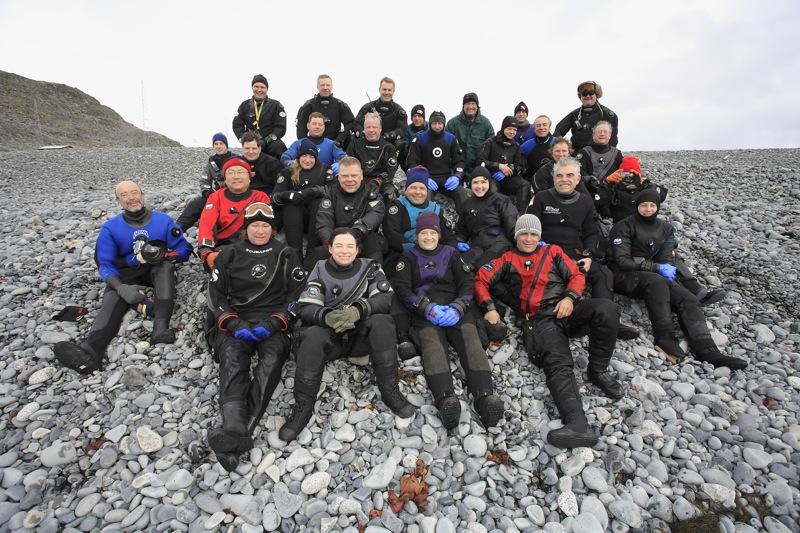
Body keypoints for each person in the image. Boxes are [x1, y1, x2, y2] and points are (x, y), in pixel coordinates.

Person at [475, 214, 623, 448]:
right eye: (524, 233)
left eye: (534, 234)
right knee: (558, 362)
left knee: (607, 309)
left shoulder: (553, 252)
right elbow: (481, 280)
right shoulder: (507, 259)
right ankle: (577, 423)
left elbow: (575, 275)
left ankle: (598, 370)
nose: (529, 238)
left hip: (566, 308)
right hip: (539, 319)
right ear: (516, 235)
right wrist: (489, 308)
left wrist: (570, 298)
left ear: (539, 236)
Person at [279, 228, 415, 442]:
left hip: (360, 338)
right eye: (339, 246)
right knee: (312, 334)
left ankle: (390, 389)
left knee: (383, 321)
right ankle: (302, 406)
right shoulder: (319, 268)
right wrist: (327, 317)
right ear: (330, 248)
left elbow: (385, 298)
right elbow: (306, 305)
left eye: (350, 246)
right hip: (329, 341)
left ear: (357, 249)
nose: (344, 251)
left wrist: (357, 310)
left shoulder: (370, 267)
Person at [205, 202, 306, 471]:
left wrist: (277, 322)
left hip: (272, 322)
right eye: (255, 225)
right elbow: (215, 295)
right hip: (238, 319)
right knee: (232, 359)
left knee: (272, 360)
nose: (260, 230)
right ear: (245, 228)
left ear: (272, 229)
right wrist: (232, 322)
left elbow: (298, 295)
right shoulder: (228, 254)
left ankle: (237, 433)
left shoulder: (286, 253)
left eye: (265, 226)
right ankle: (236, 428)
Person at [54, 181, 192, 373]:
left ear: (142, 195)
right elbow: (105, 265)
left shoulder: (163, 221)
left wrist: (163, 255)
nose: (131, 198)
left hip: (157, 269)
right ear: (119, 201)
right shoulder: (110, 228)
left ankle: (160, 329)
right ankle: (91, 351)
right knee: (113, 298)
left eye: (134, 192)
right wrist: (121, 288)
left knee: (165, 267)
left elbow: (184, 249)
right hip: (127, 273)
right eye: (125, 195)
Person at [608, 190, 747, 369]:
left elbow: (666, 257)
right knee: (656, 282)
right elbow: (622, 261)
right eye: (643, 205)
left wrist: (667, 272)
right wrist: (657, 268)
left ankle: (708, 350)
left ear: (658, 207)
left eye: (652, 205)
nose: (648, 209)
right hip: (623, 275)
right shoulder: (623, 227)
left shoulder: (665, 228)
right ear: (637, 206)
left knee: (687, 298)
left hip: (652, 275)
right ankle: (664, 337)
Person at [391, 212, 505, 429]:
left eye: (432, 233)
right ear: (417, 235)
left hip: (455, 308)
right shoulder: (408, 257)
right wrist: (425, 307)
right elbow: (402, 288)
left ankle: (485, 396)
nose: (427, 237)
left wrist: (459, 306)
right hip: (425, 311)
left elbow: (467, 282)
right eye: (423, 233)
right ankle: (445, 398)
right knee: (432, 343)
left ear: (439, 234)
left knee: (470, 339)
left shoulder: (451, 254)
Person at [527, 157, 639, 339]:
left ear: (578, 179)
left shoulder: (586, 202)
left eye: (570, 175)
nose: (564, 179)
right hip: (546, 253)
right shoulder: (540, 198)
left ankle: (609, 319)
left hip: (574, 253)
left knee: (603, 274)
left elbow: (591, 233)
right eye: (560, 176)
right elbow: (529, 228)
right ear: (553, 178)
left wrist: (588, 256)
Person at [597, 157, 725, 306]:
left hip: (651, 231)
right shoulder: (614, 190)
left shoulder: (646, 189)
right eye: (624, 173)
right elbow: (597, 201)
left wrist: (644, 181)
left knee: (672, 256)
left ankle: (697, 290)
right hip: (626, 236)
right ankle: (679, 294)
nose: (628, 178)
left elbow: (661, 195)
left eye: (632, 174)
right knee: (651, 261)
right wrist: (607, 183)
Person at [197, 158, 271, 269]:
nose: (235, 176)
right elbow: (206, 223)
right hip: (225, 245)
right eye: (230, 173)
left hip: (254, 243)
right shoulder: (216, 197)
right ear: (225, 179)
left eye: (240, 172)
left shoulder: (260, 197)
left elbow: (267, 226)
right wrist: (206, 251)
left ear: (249, 178)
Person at [313, 156, 385, 264]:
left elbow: (375, 214)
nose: (350, 179)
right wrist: (334, 243)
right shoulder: (331, 193)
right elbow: (324, 222)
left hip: (362, 238)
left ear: (361, 175)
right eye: (345, 176)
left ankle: (375, 277)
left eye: (354, 175)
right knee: (317, 255)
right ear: (338, 177)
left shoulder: (372, 191)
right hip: (335, 240)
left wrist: (353, 237)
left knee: (372, 242)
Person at [271, 139, 335, 260]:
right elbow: (274, 198)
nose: (307, 160)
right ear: (298, 157)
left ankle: (312, 252)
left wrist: (311, 192)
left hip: (316, 219)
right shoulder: (288, 171)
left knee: (319, 202)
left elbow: (333, 191)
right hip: (293, 220)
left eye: (311, 156)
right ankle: (295, 254)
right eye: (304, 156)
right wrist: (289, 195)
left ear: (316, 157)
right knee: (291, 205)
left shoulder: (324, 170)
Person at [454, 167, 518, 270]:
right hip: (477, 246)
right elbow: (461, 231)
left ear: (489, 183)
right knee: (461, 266)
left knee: (482, 267)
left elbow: (512, 227)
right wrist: (458, 242)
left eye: (483, 182)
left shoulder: (502, 200)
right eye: (475, 182)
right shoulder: (467, 204)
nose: (479, 186)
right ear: (471, 184)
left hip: (499, 244)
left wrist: (525, 241)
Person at [384, 166, 455, 255]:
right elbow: (391, 234)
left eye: (422, 188)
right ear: (406, 190)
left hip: (434, 254)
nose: (418, 192)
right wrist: (417, 251)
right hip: (404, 254)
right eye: (413, 187)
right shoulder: (398, 206)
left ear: (427, 191)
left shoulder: (436, 209)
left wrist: (450, 249)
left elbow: (448, 237)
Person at [406, 111, 468, 206]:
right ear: (430, 123)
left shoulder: (451, 138)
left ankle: (465, 220)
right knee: (422, 198)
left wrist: (457, 176)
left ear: (444, 124)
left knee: (462, 194)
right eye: (434, 123)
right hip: (427, 179)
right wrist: (422, 178)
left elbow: (459, 161)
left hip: (447, 179)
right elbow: (412, 162)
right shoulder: (420, 138)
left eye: (440, 123)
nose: (437, 126)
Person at [176, 132, 236, 231]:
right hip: (217, 193)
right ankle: (176, 230)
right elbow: (204, 179)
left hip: (234, 192)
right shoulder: (211, 161)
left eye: (221, 143)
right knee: (194, 204)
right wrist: (207, 191)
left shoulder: (235, 158)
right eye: (216, 144)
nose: (218, 146)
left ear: (226, 145)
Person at [476, 115, 530, 211]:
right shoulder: (490, 142)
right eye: (509, 129)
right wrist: (498, 166)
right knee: (491, 189)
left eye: (514, 130)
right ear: (503, 128)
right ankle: (491, 215)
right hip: (491, 178)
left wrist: (509, 168)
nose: (512, 132)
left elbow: (522, 167)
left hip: (508, 180)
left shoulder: (516, 147)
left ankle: (521, 214)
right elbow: (480, 161)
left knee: (524, 184)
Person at [346, 112, 399, 201]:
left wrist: (378, 181)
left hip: (381, 183)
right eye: (368, 127)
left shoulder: (388, 147)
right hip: (358, 181)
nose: (371, 130)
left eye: (374, 127)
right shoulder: (355, 144)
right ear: (364, 129)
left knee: (391, 194)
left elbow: (390, 172)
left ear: (380, 129)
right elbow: (349, 167)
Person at [232, 74, 287, 158]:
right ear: (252, 87)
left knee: (279, 147)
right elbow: (237, 125)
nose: (259, 90)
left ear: (267, 89)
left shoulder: (276, 105)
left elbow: (280, 127)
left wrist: (266, 141)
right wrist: (244, 139)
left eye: (262, 87)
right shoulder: (244, 105)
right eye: (256, 86)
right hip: (251, 142)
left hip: (270, 143)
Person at [554, 81, 618, 151]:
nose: (587, 96)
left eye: (591, 93)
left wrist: (609, 155)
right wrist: (559, 148)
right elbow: (558, 131)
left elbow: (613, 139)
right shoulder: (574, 115)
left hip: (599, 154)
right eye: (584, 94)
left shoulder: (608, 115)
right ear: (580, 96)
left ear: (596, 95)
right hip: (578, 155)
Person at [295, 74, 355, 146]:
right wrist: (306, 145)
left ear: (332, 86)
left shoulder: (340, 105)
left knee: (351, 139)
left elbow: (351, 123)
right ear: (317, 86)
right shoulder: (308, 105)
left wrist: (339, 140)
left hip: (336, 143)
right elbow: (301, 129)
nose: (325, 88)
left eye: (328, 85)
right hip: (313, 144)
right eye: (322, 85)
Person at [354, 77, 407, 154]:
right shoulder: (367, 107)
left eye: (389, 90)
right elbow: (356, 124)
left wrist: (386, 136)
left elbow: (402, 130)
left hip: (388, 144)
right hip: (368, 141)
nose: (386, 92)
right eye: (384, 89)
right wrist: (364, 134)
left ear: (393, 91)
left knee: (401, 143)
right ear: (379, 89)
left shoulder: (399, 111)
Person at [445, 92, 494, 172]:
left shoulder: (486, 124)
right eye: (467, 104)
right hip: (456, 168)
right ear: (463, 106)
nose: (470, 107)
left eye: (473, 103)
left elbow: (492, 147)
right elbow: (445, 147)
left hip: (479, 169)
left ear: (477, 106)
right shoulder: (452, 123)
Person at [281, 112, 346, 167]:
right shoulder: (298, 144)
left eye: (320, 124)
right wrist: (293, 164)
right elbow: (285, 157)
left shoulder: (331, 144)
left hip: (324, 177)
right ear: (308, 126)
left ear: (324, 127)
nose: (317, 127)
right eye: (314, 124)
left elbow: (342, 158)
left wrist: (334, 167)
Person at [575, 121, 622, 189]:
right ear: (593, 135)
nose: (602, 134)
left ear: (610, 135)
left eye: (605, 131)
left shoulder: (617, 154)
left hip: (611, 193)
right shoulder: (584, 152)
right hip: (590, 192)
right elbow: (580, 176)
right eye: (599, 131)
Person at [520, 115, 556, 181]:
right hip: (533, 182)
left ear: (549, 127)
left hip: (556, 183)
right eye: (538, 125)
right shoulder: (526, 146)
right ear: (534, 128)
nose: (541, 127)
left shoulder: (558, 144)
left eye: (544, 125)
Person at [402, 104, 427, 169]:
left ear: (423, 118)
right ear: (411, 118)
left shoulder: (430, 127)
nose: (417, 118)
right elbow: (406, 149)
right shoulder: (407, 129)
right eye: (414, 116)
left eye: (419, 116)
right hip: (413, 157)